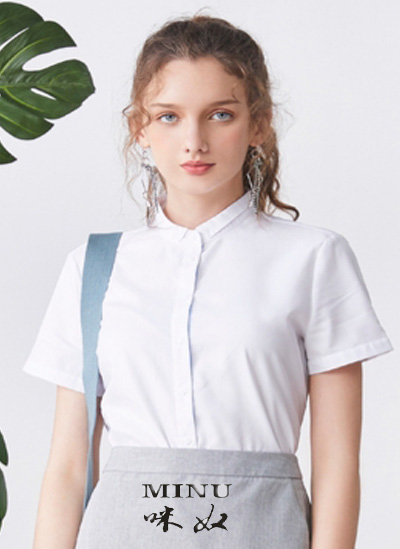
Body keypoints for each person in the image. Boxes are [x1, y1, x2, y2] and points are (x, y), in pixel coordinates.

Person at [22, 13, 394, 549]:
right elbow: (67, 467)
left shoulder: (314, 259)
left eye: (220, 114)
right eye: (169, 116)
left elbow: (337, 465)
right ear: (140, 128)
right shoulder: (94, 267)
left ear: (259, 124)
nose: (193, 141)